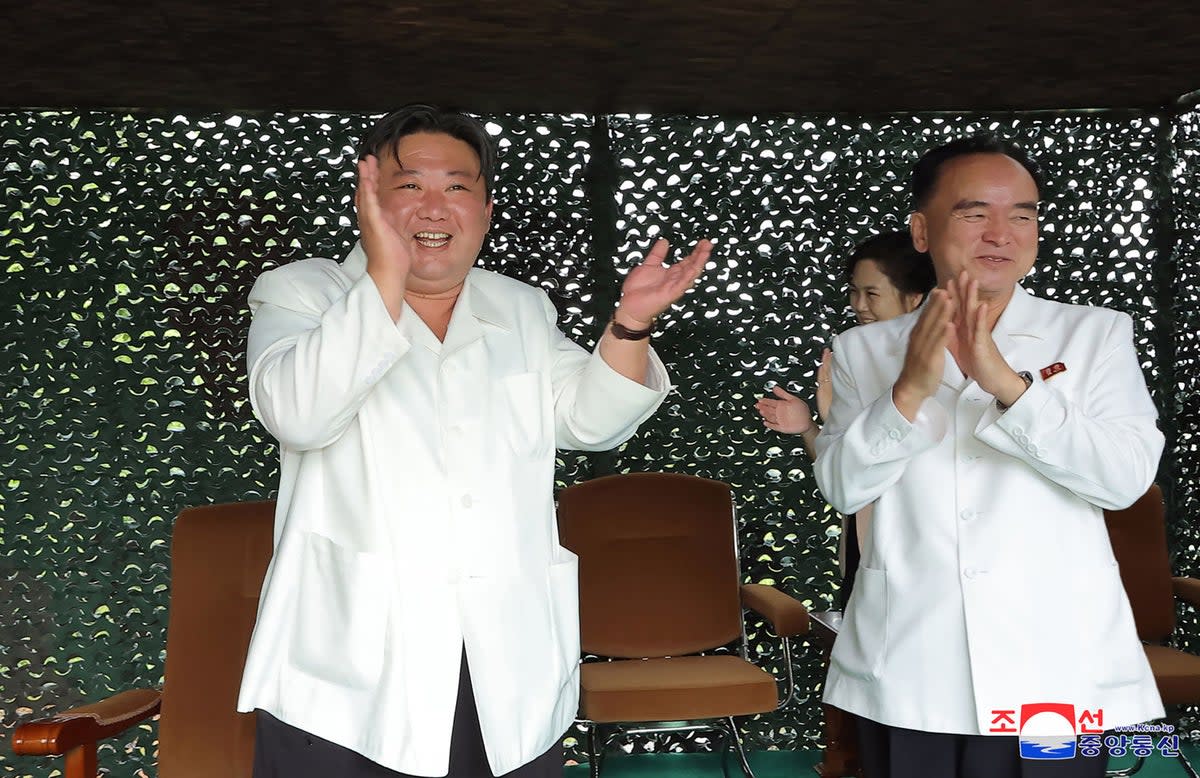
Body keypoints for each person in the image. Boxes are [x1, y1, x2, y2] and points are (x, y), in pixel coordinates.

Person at [236, 104, 712, 778]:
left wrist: (630, 325)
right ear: (369, 200)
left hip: (501, 662)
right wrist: (384, 278)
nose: (435, 207)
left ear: (485, 209)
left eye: (457, 188)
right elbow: (299, 414)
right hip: (348, 674)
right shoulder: (304, 293)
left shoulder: (518, 307)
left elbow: (589, 418)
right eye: (410, 187)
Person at [813, 134, 1164, 778]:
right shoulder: (864, 352)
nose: (1001, 233)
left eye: (1022, 214)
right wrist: (908, 396)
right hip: (913, 659)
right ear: (923, 230)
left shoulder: (1095, 334)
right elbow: (842, 486)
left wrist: (1007, 385)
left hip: (1055, 667)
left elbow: (1123, 480)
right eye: (975, 213)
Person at [755, 231, 934, 605]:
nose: (859, 305)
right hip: (866, 535)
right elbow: (841, 478)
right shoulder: (852, 354)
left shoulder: (952, 364)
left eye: (872, 294)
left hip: (928, 545)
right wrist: (811, 427)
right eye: (854, 292)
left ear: (915, 297)